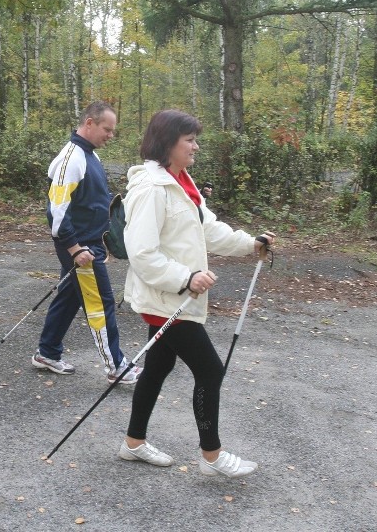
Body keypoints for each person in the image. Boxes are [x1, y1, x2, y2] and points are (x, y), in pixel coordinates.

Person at [117, 109, 275, 478]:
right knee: (210, 370)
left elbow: (209, 230)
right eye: (189, 140)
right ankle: (212, 455)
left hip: (174, 296)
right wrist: (186, 278)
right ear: (168, 142)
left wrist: (250, 244)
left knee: (158, 366)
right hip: (166, 298)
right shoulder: (152, 189)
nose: (196, 146)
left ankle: (133, 444)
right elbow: (142, 253)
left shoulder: (180, 181)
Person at [32, 101, 142, 385]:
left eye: (113, 130)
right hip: (79, 246)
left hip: (89, 243)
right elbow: (56, 210)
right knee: (100, 303)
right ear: (89, 123)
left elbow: (93, 202)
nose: (111, 135)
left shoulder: (89, 155)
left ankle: (46, 352)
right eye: (107, 129)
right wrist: (75, 249)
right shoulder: (72, 158)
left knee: (69, 298)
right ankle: (117, 366)